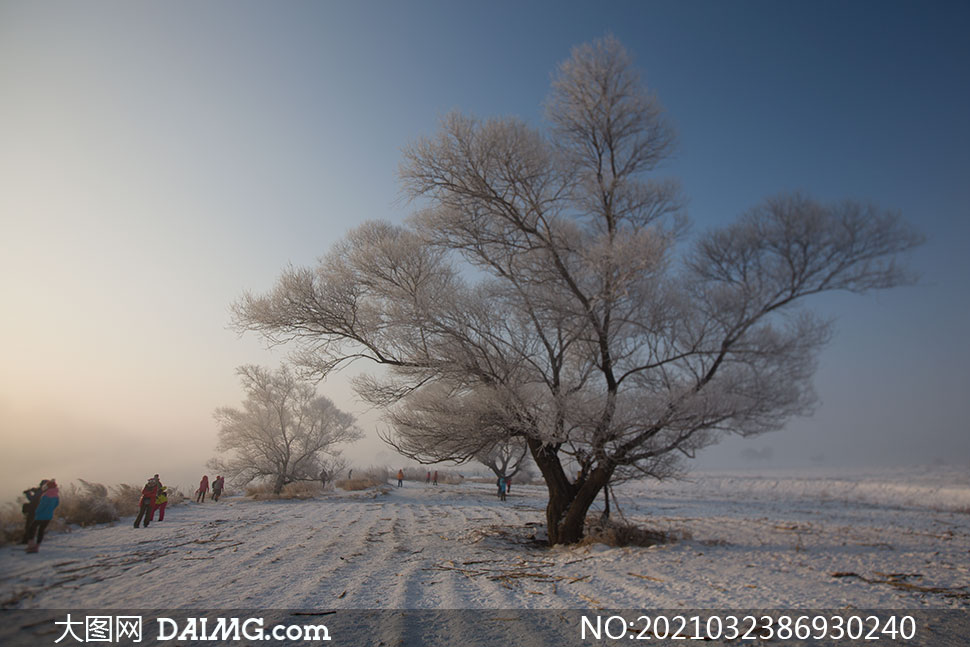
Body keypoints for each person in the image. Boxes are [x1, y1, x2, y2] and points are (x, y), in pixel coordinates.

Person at [26, 479, 59, 553]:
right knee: (41, 530)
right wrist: (50, 510)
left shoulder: (45, 496)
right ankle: (37, 547)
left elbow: (41, 506)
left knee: (32, 528)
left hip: (40, 516)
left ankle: (31, 546)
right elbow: (56, 504)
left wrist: (37, 512)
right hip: (49, 516)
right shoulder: (56, 495)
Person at [20, 479, 47, 544]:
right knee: (33, 526)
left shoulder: (41, 492)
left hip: (34, 510)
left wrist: (28, 493)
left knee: (29, 525)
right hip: (39, 510)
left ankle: (27, 540)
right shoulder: (46, 492)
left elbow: (32, 499)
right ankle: (29, 540)